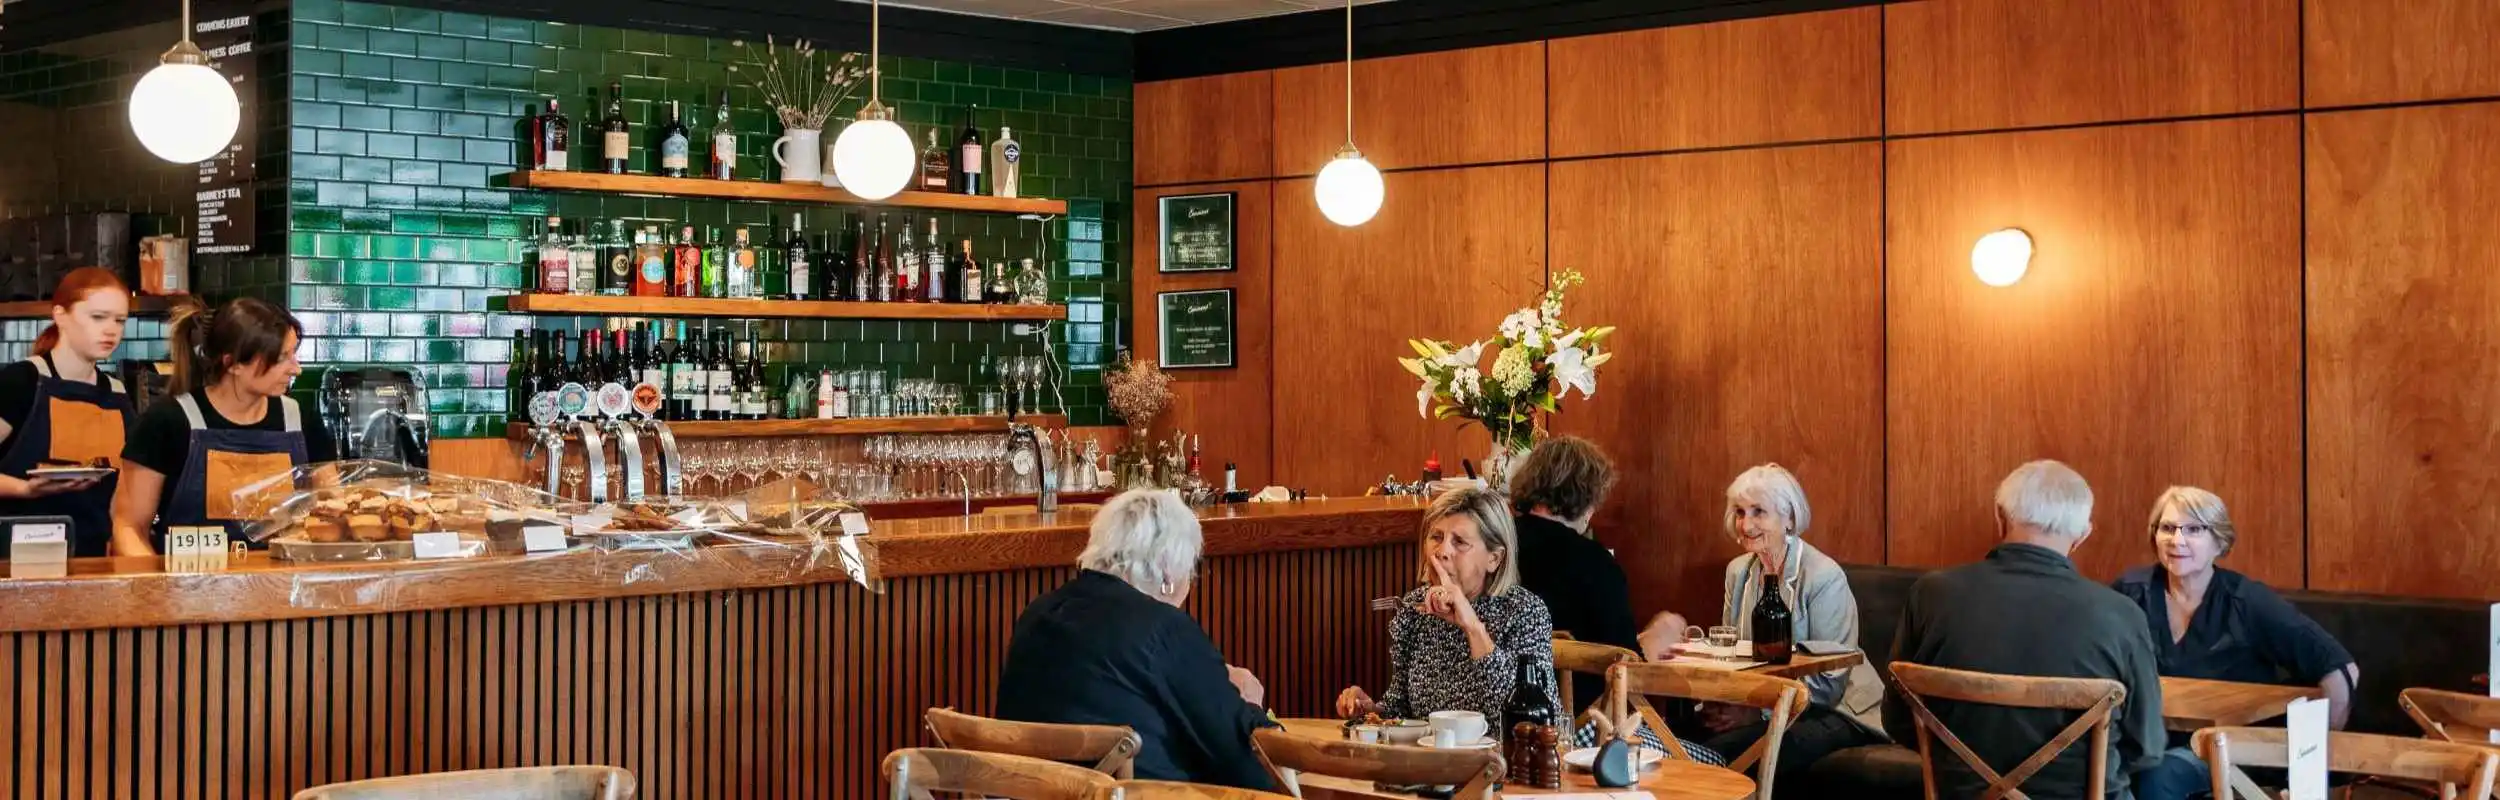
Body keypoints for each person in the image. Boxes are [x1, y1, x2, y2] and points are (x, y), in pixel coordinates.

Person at [1883, 460, 2163, 800]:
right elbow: (2147, 747)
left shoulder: (1931, 595)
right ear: (2082, 535)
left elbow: (1898, 721)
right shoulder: (2122, 614)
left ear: (1999, 516)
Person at [994, 489, 1277, 789]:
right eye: (1191, 569)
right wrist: (1250, 704)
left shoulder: (1037, 615)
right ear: (1168, 572)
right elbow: (1256, 769)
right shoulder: (1164, 629)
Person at [1635, 464, 1888, 788]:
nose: (1745, 524)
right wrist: (1723, 701)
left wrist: (1758, 713)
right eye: (1740, 512)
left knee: (1719, 753)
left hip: (1839, 710)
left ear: (1790, 519)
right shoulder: (1738, 572)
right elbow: (1734, 656)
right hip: (1768, 700)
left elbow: (1830, 684)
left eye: (1759, 512)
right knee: (1669, 736)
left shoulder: (1824, 576)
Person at [2114, 486, 2357, 800]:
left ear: (2219, 541)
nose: (2177, 540)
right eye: (2168, 528)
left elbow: (2340, 668)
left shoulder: (2247, 600)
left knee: (2156, 778)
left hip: (2227, 747)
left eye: (2194, 529)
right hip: (2142, 740)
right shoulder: (2130, 592)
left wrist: (2311, 760)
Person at [110, 297, 335, 556]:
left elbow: (332, 515)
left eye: (293, 354)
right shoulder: (168, 422)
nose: (296, 369)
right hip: (188, 591)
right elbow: (128, 527)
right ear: (234, 363)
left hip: (281, 592)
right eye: (281, 357)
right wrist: (156, 592)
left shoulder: (303, 423)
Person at [1336, 486, 1566, 729]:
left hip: (1504, 763)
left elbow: (1536, 721)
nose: (1442, 551)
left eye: (1460, 542)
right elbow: (1402, 708)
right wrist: (1371, 709)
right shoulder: (1415, 608)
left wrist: (1472, 627)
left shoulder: (1524, 611)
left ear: (1494, 559)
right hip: (1433, 762)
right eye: (1436, 537)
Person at [0, 268, 135, 556]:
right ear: (60, 315)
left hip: (94, 560)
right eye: (98, 317)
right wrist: (24, 490)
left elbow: (123, 488)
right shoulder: (22, 381)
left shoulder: (117, 394)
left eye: (119, 320)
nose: (111, 329)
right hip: (16, 560)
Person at [1506, 436, 1639, 703]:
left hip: (1499, 716)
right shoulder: (1596, 563)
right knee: (1707, 747)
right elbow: (1630, 669)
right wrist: (1660, 636)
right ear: (1589, 498)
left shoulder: (1495, 546)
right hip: (1580, 726)